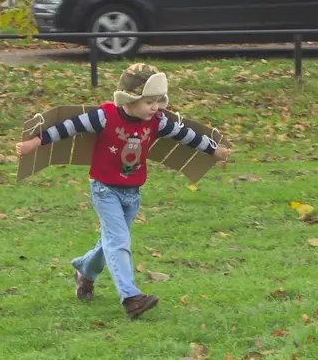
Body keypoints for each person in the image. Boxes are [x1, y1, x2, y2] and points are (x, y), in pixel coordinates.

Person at [15, 63, 229, 320]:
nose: (156, 107)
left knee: (111, 243)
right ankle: (130, 297)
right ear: (131, 98)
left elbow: (186, 135)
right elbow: (68, 127)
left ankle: (84, 271)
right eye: (149, 101)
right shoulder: (104, 116)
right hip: (104, 190)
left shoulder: (157, 121)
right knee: (119, 242)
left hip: (132, 193)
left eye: (159, 101)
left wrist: (213, 150)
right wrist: (33, 143)